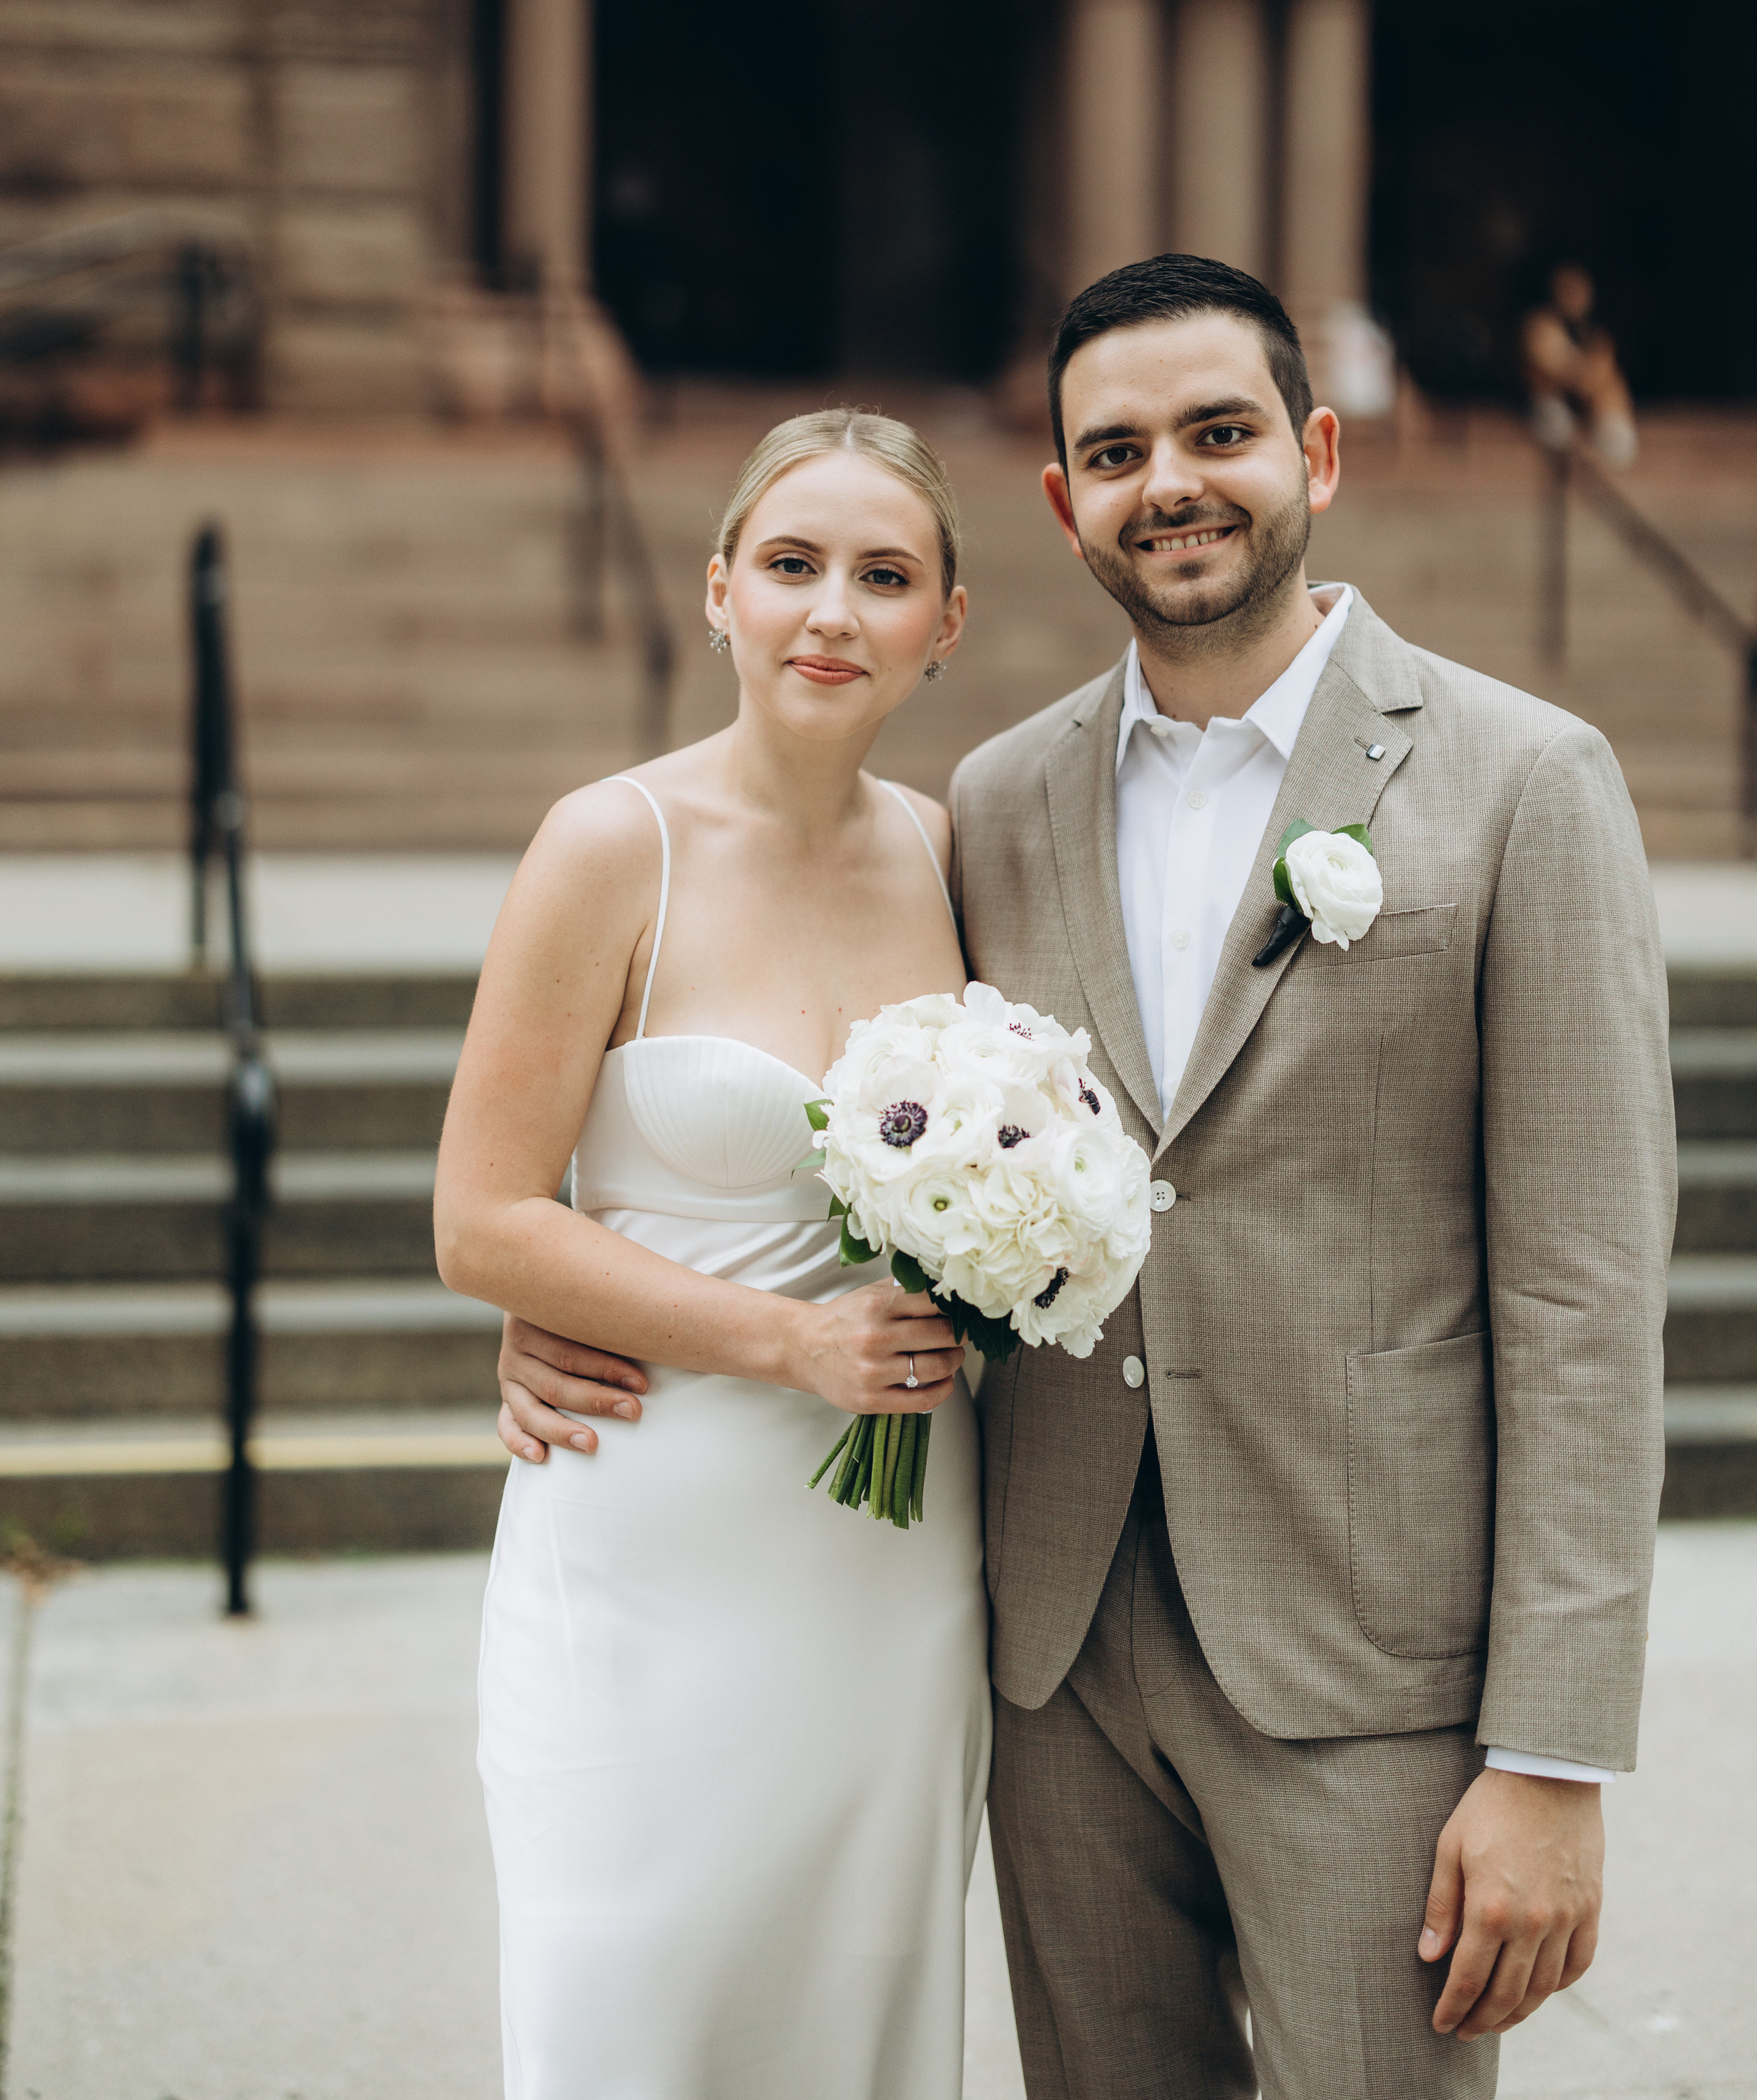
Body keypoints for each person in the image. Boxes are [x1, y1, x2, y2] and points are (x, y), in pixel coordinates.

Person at [501, 255, 1675, 2099]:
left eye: (1218, 434)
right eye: (1117, 453)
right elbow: (857, 1138)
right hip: (1048, 1646)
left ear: (1316, 453)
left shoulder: (1525, 782)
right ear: (1062, 503)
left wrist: (1552, 1753)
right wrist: (578, 1302)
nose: (1170, 484)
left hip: (1365, 1661)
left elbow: (1584, 1296)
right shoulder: (992, 804)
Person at [435, 408, 991, 2100]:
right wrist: (779, 1341)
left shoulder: (956, 853)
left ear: (944, 622)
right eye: (791, 563)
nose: (831, 610)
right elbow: (482, 1217)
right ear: (717, 591)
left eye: (882, 576)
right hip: (645, 1547)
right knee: (627, 2020)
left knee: (855, 2018)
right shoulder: (612, 845)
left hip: (892, 1563)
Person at [1520, 258, 1638, 467]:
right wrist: (1580, 375)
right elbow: (1550, 366)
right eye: (1568, 290)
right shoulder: (1540, 324)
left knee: (1613, 409)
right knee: (1555, 421)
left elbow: (1603, 371)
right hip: (1553, 401)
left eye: (1581, 291)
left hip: (1589, 404)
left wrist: (1591, 381)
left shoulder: (1595, 333)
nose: (1576, 298)